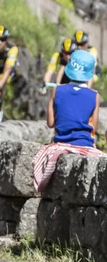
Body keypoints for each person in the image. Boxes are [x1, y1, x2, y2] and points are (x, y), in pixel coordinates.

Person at [34, 49, 103, 191]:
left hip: (61, 141)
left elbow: (50, 123)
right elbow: (94, 128)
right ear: (89, 74)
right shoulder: (94, 96)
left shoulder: (57, 90)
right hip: (85, 143)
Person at [0, 25, 18, 124]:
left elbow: (6, 72)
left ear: (6, 40)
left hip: (7, 69)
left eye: (3, 39)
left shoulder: (12, 49)